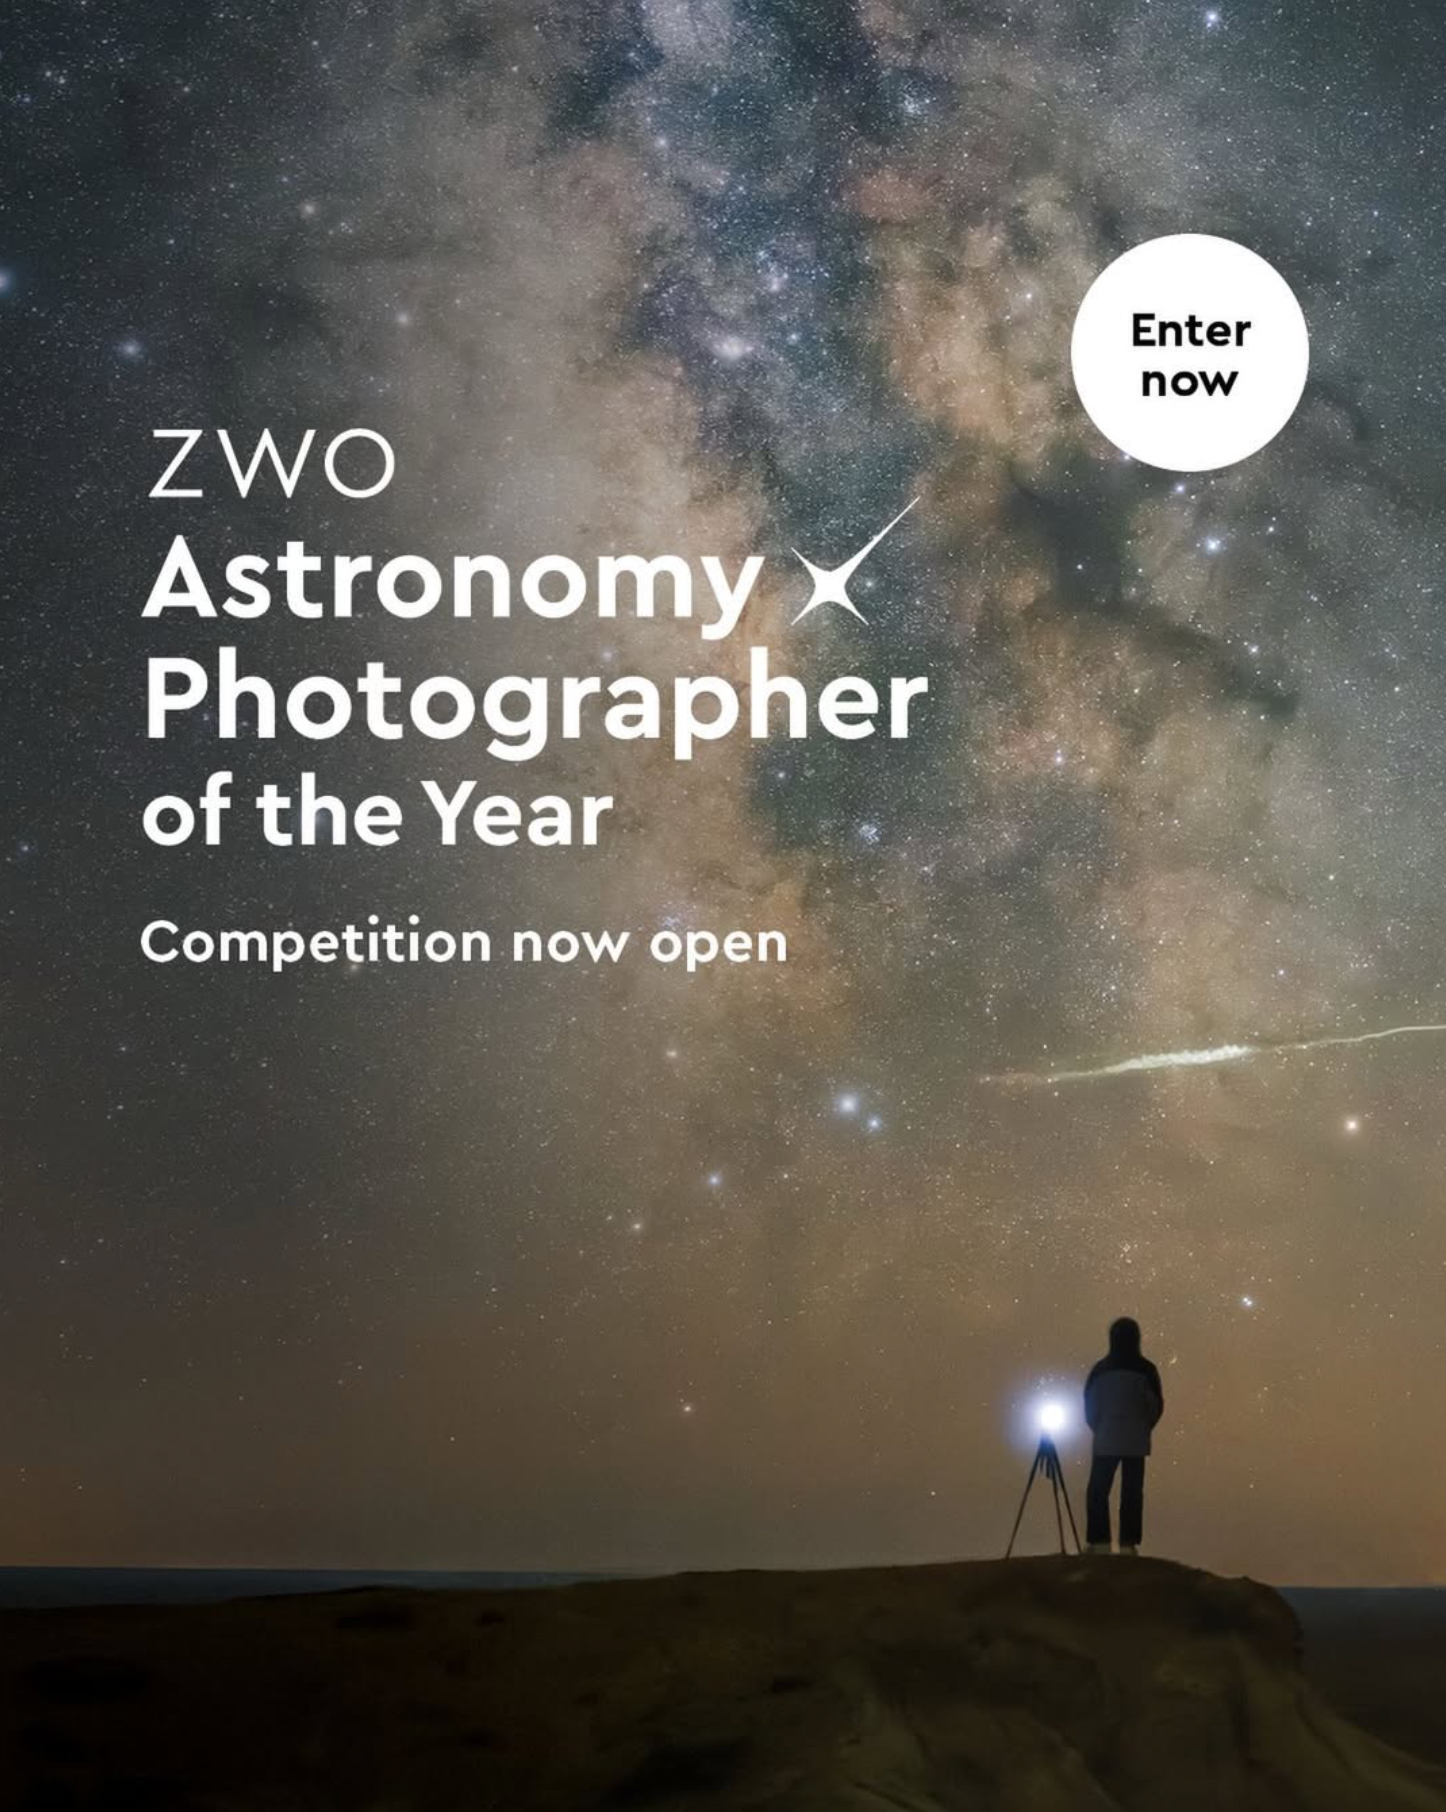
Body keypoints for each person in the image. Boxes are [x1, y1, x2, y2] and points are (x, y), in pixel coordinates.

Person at [1083, 1317, 1163, 1554]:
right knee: (1132, 1492)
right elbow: (1155, 1405)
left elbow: (1090, 1405)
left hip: (1106, 1436)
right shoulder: (1146, 1370)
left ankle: (1100, 1543)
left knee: (1098, 1490)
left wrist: (1097, 1426)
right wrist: (1145, 1426)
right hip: (1136, 1439)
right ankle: (1129, 1544)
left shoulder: (1101, 1370)